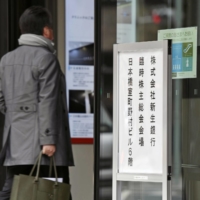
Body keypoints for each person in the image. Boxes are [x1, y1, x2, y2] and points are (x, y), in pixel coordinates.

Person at [0, 6, 74, 200]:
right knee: (58, 192)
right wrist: (48, 139)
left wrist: (19, 118)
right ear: (46, 30)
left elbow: (2, 100)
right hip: (43, 145)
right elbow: (48, 99)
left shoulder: (6, 59)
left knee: (12, 190)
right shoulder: (46, 58)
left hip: (16, 141)